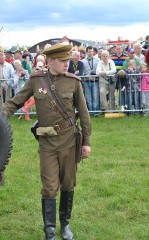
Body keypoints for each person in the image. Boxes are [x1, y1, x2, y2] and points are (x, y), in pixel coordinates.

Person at [2, 43, 91, 240]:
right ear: (50, 61)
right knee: (49, 187)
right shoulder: (36, 80)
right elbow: (15, 102)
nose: (67, 64)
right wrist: (1, 116)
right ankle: (49, 232)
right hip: (47, 144)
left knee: (68, 184)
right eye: (62, 61)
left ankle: (65, 226)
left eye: (68, 60)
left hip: (69, 141)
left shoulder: (73, 82)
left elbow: (84, 115)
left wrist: (87, 142)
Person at [82, 46, 100, 117]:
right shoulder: (83, 61)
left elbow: (99, 70)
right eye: (89, 51)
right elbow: (82, 72)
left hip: (95, 81)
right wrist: (87, 76)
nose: (91, 53)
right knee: (88, 97)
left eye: (92, 51)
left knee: (95, 97)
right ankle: (90, 112)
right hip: (86, 81)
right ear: (86, 52)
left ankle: (96, 112)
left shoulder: (97, 60)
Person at [111, 44, 127, 111]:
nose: (118, 50)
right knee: (114, 91)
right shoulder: (112, 58)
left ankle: (122, 105)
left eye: (119, 49)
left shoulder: (125, 57)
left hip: (123, 76)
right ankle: (114, 107)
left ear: (122, 49)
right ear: (115, 50)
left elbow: (126, 67)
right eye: (117, 49)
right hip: (115, 76)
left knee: (122, 91)